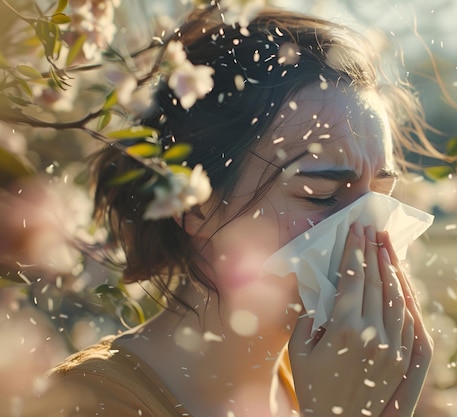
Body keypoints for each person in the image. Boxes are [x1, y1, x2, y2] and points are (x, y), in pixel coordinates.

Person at [15, 4, 433, 417]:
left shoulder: (329, 379)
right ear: (195, 202)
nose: (368, 236)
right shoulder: (88, 404)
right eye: (320, 195)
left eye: (381, 196)